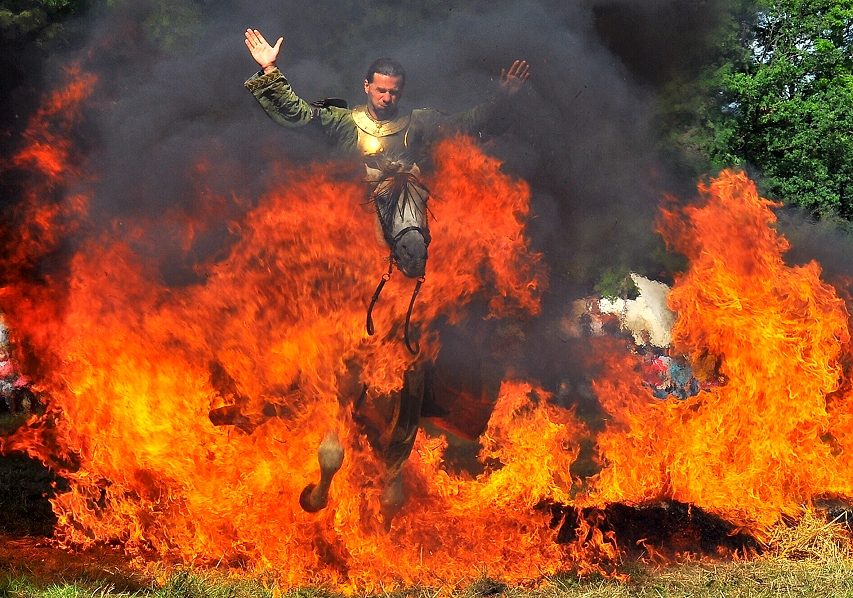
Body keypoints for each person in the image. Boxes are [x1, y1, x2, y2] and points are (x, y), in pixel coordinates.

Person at [243, 29, 529, 167]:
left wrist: (501, 100)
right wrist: (269, 68)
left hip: (407, 226)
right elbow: (299, 113)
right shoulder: (343, 121)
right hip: (346, 218)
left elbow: (465, 125)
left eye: (393, 92)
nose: (387, 97)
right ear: (367, 86)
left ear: (401, 92)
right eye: (381, 90)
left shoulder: (419, 123)